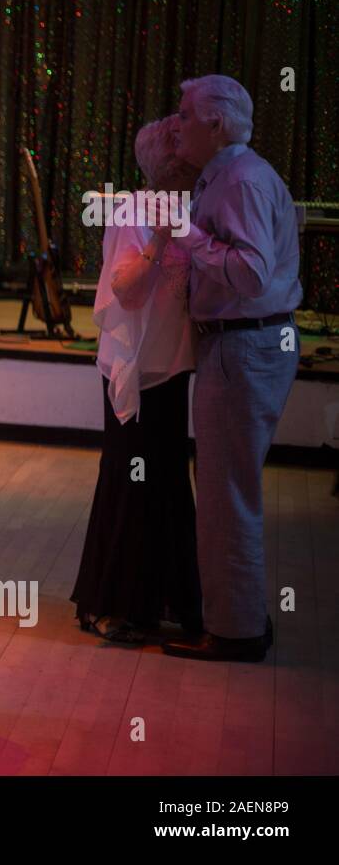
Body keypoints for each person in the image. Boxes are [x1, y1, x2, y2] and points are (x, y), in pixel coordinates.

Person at [161, 75, 302, 663]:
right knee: (228, 489)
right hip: (247, 344)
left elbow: (249, 273)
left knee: (226, 495)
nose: (176, 124)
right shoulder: (234, 175)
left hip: (244, 347)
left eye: (185, 114)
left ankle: (235, 632)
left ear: (215, 123)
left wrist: (186, 236)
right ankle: (239, 618)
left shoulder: (240, 180)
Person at [71, 116, 203, 646]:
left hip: (170, 366)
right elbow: (125, 290)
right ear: (165, 163)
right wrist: (164, 240)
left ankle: (167, 600)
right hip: (137, 371)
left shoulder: (191, 207)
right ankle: (114, 604)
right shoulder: (134, 210)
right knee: (132, 481)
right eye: (183, 154)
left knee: (167, 481)